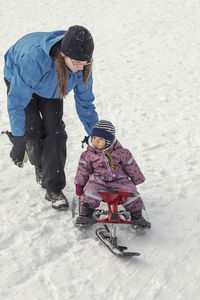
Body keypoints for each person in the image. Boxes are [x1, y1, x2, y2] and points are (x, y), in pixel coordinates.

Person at [3, 25, 98, 210]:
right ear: (63, 55)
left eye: (85, 63)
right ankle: (39, 164)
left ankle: (53, 187)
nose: (80, 68)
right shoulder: (33, 59)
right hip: (22, 79)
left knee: (56, 132)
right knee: (32, 130)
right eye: (76, 63)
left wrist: (96, 134)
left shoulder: (82, 68)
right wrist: (19, 140)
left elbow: (85, 104)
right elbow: (16, 103)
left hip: (52, 87)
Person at [74, 120, 151, 228]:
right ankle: (86, 213)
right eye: (94, 138)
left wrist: (137, 179)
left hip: (120, 180)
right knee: (90, 190)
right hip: (98, 180)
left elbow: (131, 165)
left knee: (131, 192)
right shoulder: (88, 154)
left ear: (109, 141)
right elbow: (83, 169)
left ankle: (137, 216)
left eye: (100, 139)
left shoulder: (121, 152)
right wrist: (80, 184)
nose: (96, 141)